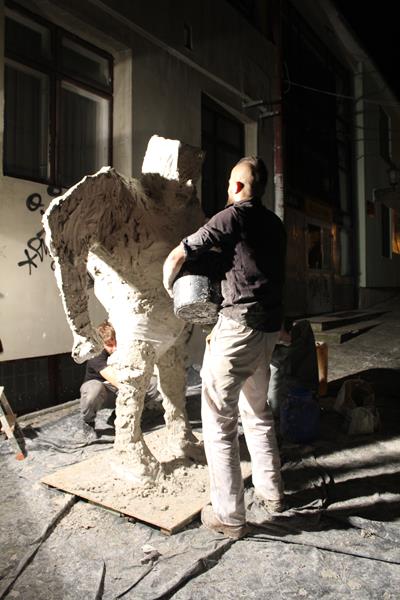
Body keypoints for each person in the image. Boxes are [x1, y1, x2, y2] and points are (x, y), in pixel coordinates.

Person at [163, 156, 287, 539]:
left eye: (229, 185)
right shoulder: (275, 225)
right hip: (268, 331)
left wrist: (170, 288)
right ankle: (272, 492)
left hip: (238, 330)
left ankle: (229, 516)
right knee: (258, 413)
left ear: (236, 187)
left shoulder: (230, 217)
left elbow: (179, 255)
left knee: (218, 421)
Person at [80, 320, 159, 441]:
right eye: (109, 345)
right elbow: (116, 380)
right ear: (101, 344)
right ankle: (88, 422)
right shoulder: (95, 353)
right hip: (104, 391)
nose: (115, 348)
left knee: (154, 382)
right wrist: (133, 394)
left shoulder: (125, 348)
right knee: (94, 389)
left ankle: (117, 415)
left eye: (115, 342)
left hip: (120, 388)